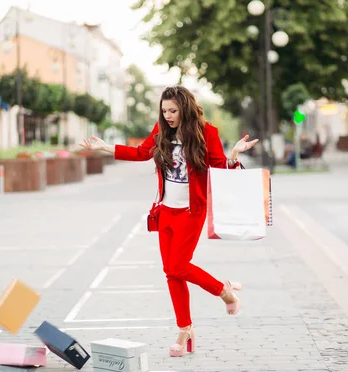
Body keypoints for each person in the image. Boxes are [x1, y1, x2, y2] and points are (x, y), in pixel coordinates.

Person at [80, 86, 258, 357]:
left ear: (185, 108)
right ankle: (185, 329)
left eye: (173, 110)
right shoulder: (162, 130)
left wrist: (234, 156)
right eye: (164, 111)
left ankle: (223, 290)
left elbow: (219, 169)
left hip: (191, 211)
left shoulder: (206, 133)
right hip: (166, 210)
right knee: (171, 272)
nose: (168, 116)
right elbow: (142, 152)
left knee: (178, 265)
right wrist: (106, 147)